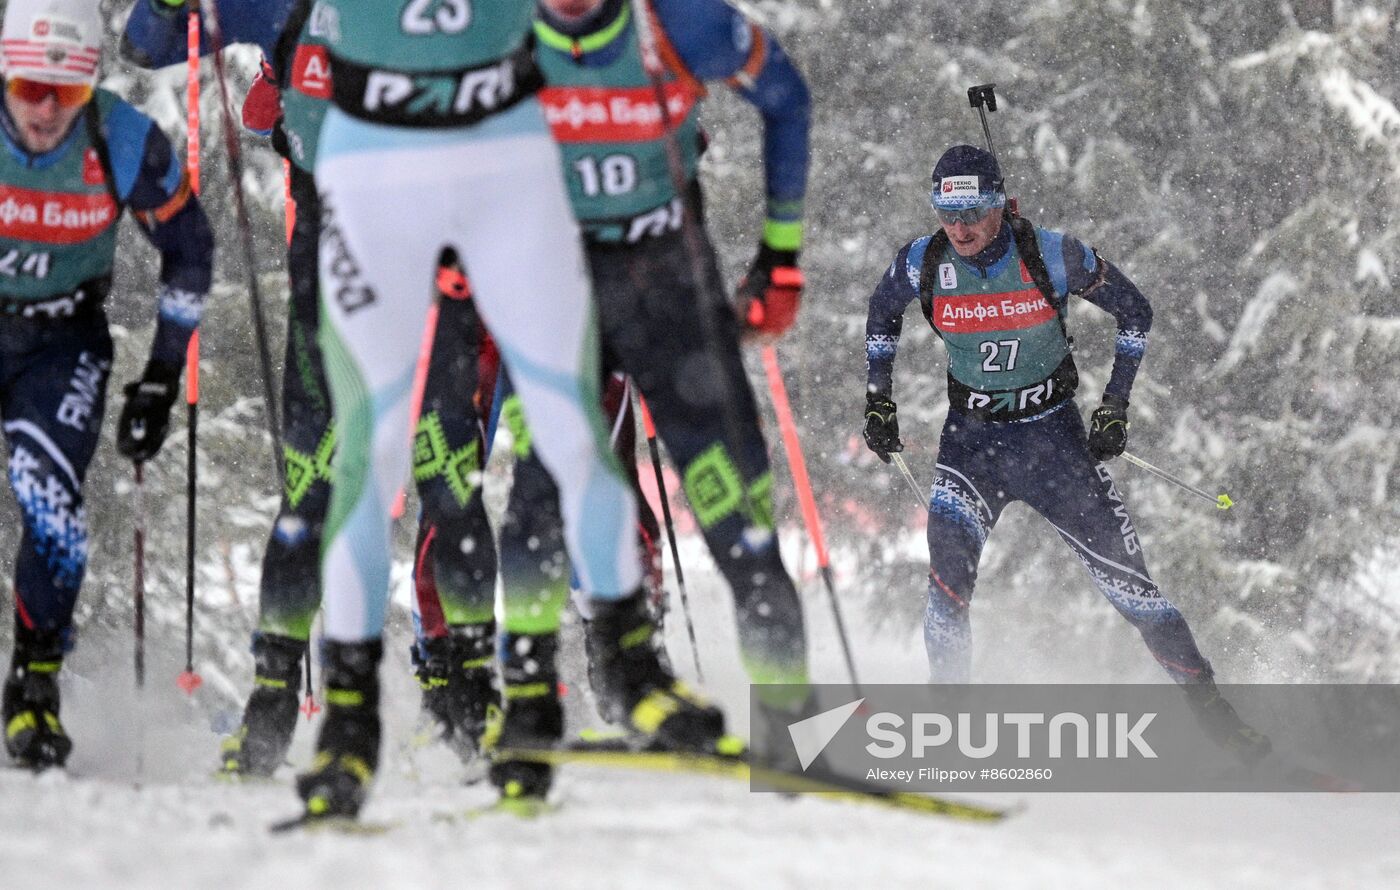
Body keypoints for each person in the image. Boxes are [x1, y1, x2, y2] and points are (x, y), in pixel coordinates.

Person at [412, 0, 818, 799]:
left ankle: (793, 729)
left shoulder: (676, 24)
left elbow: (786, 98)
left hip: (671, 290)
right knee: (542, 492)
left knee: (738, 515)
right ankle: (529, 708)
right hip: (562, 290)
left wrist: (781, 254)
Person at [122, 2, 502, 777]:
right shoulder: (286, 6)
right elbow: (147, 45)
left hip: (435, 275)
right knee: (313, 491)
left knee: (447, 477)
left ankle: (473, 692)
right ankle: (270, 705)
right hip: (329, 287)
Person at [862, 144, 1268, 758]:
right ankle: (944, 728)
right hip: (971, 445)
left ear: (999, 204)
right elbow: (879, 314)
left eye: (972, 209)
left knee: (1135, 593)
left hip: (1054, 445)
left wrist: (1115, 406)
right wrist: (877, 399)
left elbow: (1135, 312)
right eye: (947, 211)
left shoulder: (1052, 254)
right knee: (947, 588)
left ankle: (1218, 719)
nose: (961, 226)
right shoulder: (923, 261)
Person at [0, 0, 213, 769]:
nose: (47, 112)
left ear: (92, 83)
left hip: (61, 341)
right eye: (30, 91)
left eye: (67, 92)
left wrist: (161, 373)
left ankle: (33, 691)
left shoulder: (121, 138)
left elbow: (190, 252)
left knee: (55, 516)